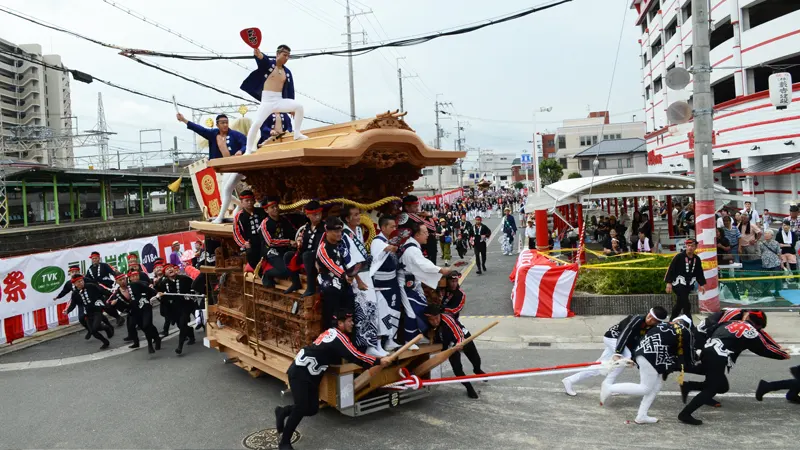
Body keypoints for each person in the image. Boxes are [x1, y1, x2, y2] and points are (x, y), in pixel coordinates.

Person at [274, 310, 389, 450]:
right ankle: (284, 442)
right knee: (302, 407)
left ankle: (283, 411)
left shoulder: (333, 333)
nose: (352, 323)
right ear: (340, 323)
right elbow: (355, 356)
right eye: (349, 321)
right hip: (300, 371)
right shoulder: (338, 338)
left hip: (311, 374)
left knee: (312, 409)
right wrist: (378, 361)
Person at [679, 312, 789, 425]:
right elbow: (763, 348)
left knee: (722, 386)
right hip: (718, 357)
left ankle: (688, 385)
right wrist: (783, 355)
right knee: (711, 389)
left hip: (707, 350)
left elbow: (710, 330)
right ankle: (685, 414)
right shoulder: (750, 331)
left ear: (748, 317)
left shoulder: (730, 322)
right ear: (758, 326)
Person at [601, 315, 696, 424]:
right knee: (645, 388)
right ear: (687, 325)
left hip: (645, 355)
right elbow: (688, 354)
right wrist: (695, 360)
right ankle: (610, 388)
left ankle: (641, 416)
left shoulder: (661, 325)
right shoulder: (685, 331)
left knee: (655, 387)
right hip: (652, 359)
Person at [562, 307, 668, 396]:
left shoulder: (654, 329)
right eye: (649, 316)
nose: (649, 320)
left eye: (654, 320)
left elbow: (640, 344)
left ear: (658, 322)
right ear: (648, 313)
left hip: (622, 344)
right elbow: (624, 334)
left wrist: (635, 360)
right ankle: (608, 386)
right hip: (612, 338)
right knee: (623, 359)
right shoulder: (637, 319)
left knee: (599, 367)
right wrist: (618, 353)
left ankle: (570, 380)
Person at [242, 44, 307, 153]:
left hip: (279, 100)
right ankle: (248, 150)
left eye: (288, 56)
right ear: (277, 54)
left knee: (299, 107)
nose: (286, 58)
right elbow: (263, 60)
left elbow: (290, 89)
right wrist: (258, 54)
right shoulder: (269, 64)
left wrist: (291, 108)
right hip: (267, 101)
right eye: (284, 55)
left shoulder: (287, 72)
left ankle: (297, 134)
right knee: (257, 123)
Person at [398, 221, 452, 347]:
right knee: (412, 312)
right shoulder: (412, 249)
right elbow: (423, 264)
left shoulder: (411, 246)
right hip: (405, 285)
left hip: (412, 284)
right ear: (417, 235)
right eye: (425, 233)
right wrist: (440, 270)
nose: (428, 235)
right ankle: (409, 340)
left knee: (421, 308)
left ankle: (417, 337)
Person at [341, 205, 385, 357]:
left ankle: (375, 343)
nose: (358, 217)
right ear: (347, 219)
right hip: (355, 275)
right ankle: (365, 346)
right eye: (354, 215)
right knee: (362, 309)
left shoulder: (358, 230)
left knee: (373, 307)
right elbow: (348, 259)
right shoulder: (344, 234)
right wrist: (357, 278)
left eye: (358, 214)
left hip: (366, 272)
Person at [423, 305, 484, 399]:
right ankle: (469, 388)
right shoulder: (425, 324)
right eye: (431, 320)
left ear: (440, 315)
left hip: (463, 337)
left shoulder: (447, 319)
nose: (435, 322)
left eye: (437, 318)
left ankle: (477, 370)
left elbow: (459, 336)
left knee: (475, 358)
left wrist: (459, 344)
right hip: (447, 343)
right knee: (457, 368)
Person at [370, 215, 403, 351]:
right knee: (382, 312)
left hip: (392, 281)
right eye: (392, 226)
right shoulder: (377, 241)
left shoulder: (386, 240)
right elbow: (386, 248)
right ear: (383, 227)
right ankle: (379, 344)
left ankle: (391, 339)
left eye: (395, 226)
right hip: (381, 283)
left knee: (394, 310)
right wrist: (392, 246)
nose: (394, 228)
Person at [108, 272, 161, 353]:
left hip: (145, 307)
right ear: (117, 282)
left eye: (124, 279)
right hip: (134, 312)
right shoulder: (117, 293)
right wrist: (113, 303)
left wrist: (156, 294)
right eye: (120, 280)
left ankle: (150, 345)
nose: (123, 281)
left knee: (147, 325)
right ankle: (156, 338)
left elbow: (149, 290)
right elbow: (109, 303)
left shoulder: (134, 285)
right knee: (143, 327)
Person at [316, 217, 353, 329]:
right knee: (332, 295)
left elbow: (348, 260)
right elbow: (331, 266)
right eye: (336, 231)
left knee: (350, 296)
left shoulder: (342, 243)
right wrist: (344, 275)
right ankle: (329, 332)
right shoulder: (323, 248)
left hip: (343, 278)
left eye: (340, 231)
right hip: (327, 278)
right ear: (327, 232)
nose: (339, 234)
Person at [64, 274, 114, 349]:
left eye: (81, 281)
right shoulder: (75, 293)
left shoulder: (91, 286)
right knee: (93, 331)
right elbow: (73, 304)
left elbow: (102, 291)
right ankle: (105, 340)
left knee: (95, 328)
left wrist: (112, 297)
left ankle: (106, 328)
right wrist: (67, 311)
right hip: (88, 313)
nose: (80, 283)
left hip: (97, 310)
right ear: (74, 284)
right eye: (78, 282)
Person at [156, 264, 197, 355]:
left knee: (182, 324)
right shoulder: (163, 283)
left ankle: (180, 347)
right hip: (173, 308)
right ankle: (191, 334)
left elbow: (193, 287)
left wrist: (190, 294)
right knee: (181, 325)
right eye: (167, 269)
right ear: (165, 274)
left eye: (171, 268)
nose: (170, 269)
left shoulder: (184, 278)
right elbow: (159, 294)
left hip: (185, 305)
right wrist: (159, 296)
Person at [259, 196, 298, 289]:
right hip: (272, 251)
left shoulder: (284, 219)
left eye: (276, 206)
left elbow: (294, 231)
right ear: (266, 210)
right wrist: (289, 242)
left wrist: (299, 237)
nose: (276, 208)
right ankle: (267, 273)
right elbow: (270, 242)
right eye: (272, 207)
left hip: (285, 249)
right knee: (286, 271)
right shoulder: (265, 224)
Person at [665, 238, 707, 320]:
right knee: (686, 304)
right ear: (686, 246)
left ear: (695, 247)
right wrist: (668, 283)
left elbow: (699, 272)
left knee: (680, 304)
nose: (690, 248)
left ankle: (672, 319)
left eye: (692, 246)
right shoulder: (679, 256)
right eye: (688, 246)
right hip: (678, 284)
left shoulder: (697, 259)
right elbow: (671, 269)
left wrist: (701, 284)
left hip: (688, 284)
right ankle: (690, 323)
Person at [177, 112, 246, 160]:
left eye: (226, 122)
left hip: (233, 166)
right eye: (222, 123)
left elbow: (247, 144)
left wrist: (241, 151)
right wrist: (184, 120)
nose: (225, 125)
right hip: (217, 167)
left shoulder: (236, 134)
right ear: (217, 125)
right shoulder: (213, 134)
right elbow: (200, 129)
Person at [399, 195, 438, 265]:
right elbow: (433, 228)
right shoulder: (411, 215)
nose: (417, 209)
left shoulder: (401, 216)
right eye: (415, 207)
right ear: (407, 207)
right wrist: (429, 216)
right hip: (423, 246)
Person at [233, 190, 267, 272]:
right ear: (241, 202)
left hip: (264, 240)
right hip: (251, 243)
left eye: (251, 200)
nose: (249, 203)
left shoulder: (262, 211)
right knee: (251, 255)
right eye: (247, 201)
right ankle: (259, 272)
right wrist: (244, 243)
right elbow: (236, 233)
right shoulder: (239, 216)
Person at [760, 229, 783, 296]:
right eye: (765, 233)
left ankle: (777, 290)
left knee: (777, 277)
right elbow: (760, 252)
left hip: (775, 262)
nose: (766, 235)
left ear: (772, 235)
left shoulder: (776, 243)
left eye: (768, 233)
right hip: (765, 263)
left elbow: (779, 253)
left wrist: (781, 263)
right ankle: (765, 290)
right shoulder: (761, 243)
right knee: (764, 277)